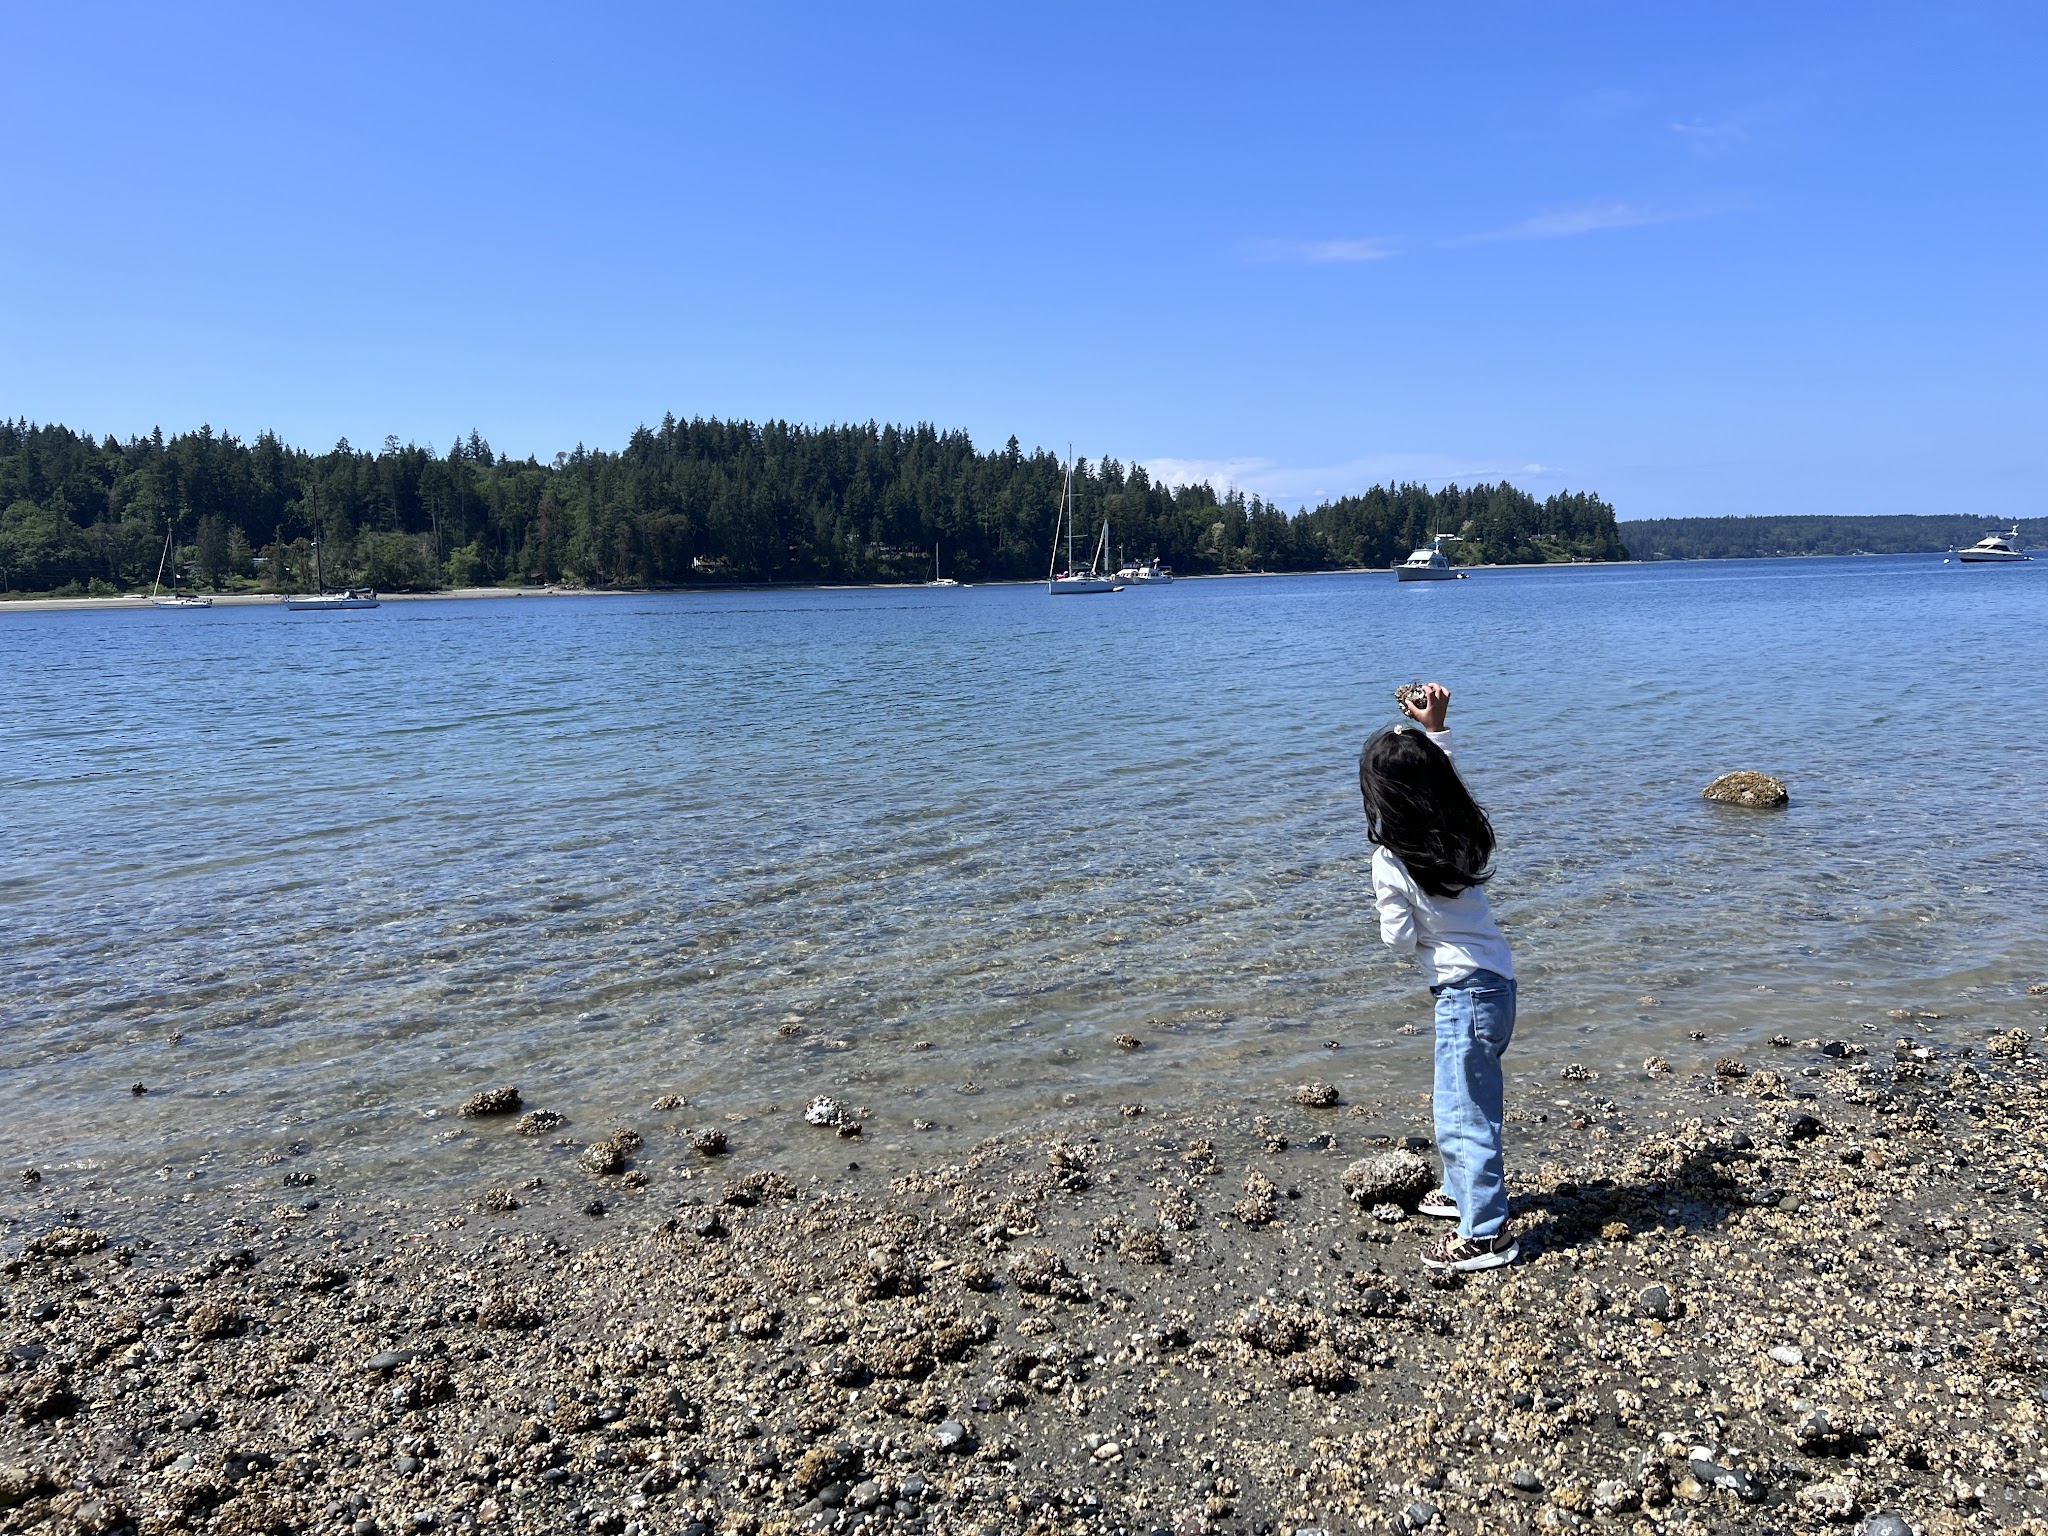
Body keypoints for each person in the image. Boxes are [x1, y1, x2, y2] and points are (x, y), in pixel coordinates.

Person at [1359, 682, 1518, 1271]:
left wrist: (1396, 913)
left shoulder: (1390, 859)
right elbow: (1442, 780)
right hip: (1495, 984)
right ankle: (1458, 1193)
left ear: (1379, 796)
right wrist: (1436, 730)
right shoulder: (1461, 828)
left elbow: (1399, 940)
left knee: (1465, 1115)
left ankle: (1487, 1235)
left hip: (1462, 997)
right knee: (1457, 1100)